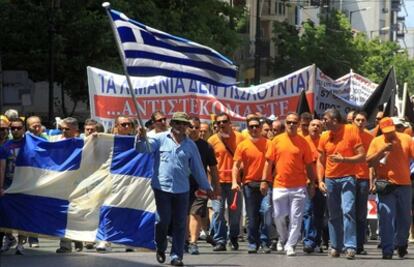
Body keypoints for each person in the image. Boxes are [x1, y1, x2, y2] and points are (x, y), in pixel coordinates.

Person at [136, 112, 214, 266]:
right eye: (177, 123)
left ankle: (176, 256)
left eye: (184, 124)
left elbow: (198, 168)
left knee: (179, 223)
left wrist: (207, 187)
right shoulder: (160, 138)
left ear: (187, 127)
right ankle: (160, 245)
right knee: (162, 221)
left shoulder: (191, 145)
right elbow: (143, 149)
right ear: (172, 124)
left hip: (182, 189)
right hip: (162, 187)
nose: (181, 126)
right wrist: (140, 137)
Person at [263, 112, 316, 256]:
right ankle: (283, 237)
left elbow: (310, 165)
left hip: (298, 186)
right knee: (278, 215)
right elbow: (269, 162)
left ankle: (291, 245)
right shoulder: (276, 141)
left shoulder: (304, 142)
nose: (291, 125)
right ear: (285, 124)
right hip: (279, 185)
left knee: (296, 217)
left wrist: (312, 183)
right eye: (289, 122)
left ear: (298, 124)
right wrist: (264, 180)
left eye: (294, 122)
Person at [317, 108, 365, 259]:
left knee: (348, 210)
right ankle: (336, 246)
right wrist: (320, 180)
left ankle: (350, 246)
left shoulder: (351, 130)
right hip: (330, 179)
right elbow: (320, 160)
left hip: (348, 177)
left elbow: (362, 156)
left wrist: (344, 160)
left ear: (335, 120)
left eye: (325, 119)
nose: (323, 122)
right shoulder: (324, 136)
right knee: (333, 214)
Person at [367, 117, 414, 259]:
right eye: (386, 132)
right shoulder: (376, 141)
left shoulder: (406, 139)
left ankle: (401, 244)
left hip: (405, 185)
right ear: (381, 130)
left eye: (391, 131)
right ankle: (387, 249)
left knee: (405, 218)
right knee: (386, 217)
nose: (390, 134)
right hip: (385, 185)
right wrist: (382, 150)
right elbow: (369, 162)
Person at [232, 116, 272, 253]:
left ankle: (265, 241)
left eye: (256, 126)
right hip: (249, 184)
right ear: (247, 129)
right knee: (252, 215)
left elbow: (270, 163)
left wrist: (265, 181)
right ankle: (253, 242)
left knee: (266, 212)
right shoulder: (242, 145)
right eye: (251, 127)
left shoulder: (268, 143)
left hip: (265, 184)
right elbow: (236, 165)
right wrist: (234, 181)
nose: (254, 129)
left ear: (261, 128)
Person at [208, 113, 244, 251]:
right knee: (217, 211)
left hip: (235, 182)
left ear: (230, 122)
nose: (222, 124)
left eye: (224, 122)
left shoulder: (240, 138)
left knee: (235, 214)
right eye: (219, 122)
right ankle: (220, 240)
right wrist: (211, 179)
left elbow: (245, 157)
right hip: (218, 182)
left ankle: (233, 236)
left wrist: (241, 171)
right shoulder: (212, 140)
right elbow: (207, 163)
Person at [186, 116, 220, 255]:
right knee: (183, 214)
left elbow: (213, 168)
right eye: (191, 127)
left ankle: (193, 242)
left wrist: (215, 187)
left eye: (197, 127)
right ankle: (184, 240)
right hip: (181, 185)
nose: (194, 130)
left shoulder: (206, 146)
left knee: (195, 213)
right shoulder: (179, 143)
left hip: (200, 186)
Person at [0, 118, 27, 254]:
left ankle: (21, 244)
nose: (15, 130)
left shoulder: (30, 143)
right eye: (13, 128)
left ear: (23, 129)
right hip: (8, 184)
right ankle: (9, 237)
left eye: (18, 128)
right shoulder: (6, 145)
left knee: (22, 215)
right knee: (5, 214)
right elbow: (2, 167)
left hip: (25, 184)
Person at [302, 119, 326, 254]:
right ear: (308, 127)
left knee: (319, 214)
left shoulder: (324, 141)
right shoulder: (302, 141)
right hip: (306, 183)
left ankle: (317, 241)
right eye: (313, 125)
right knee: (308, 212)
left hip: (322, 183)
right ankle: (309, 241)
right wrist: (308, 181)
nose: (315, 127)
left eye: (318, 125)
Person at [352, 111, 373, 255]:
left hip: (363, 179)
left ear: (366, 122)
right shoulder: (346, 135)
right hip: (347, 178)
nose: (360, 122)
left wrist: (372, 180)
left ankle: (359, 245)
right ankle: (347, 244)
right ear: (353, 121)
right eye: (357, 120)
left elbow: (371, 161)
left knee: (360, 214)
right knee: (347, 212)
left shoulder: (369, 138)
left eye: (363, 120)